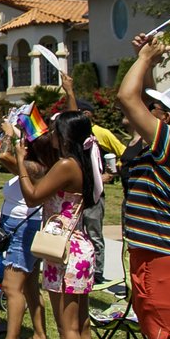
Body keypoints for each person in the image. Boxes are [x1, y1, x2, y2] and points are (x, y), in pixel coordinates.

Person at [8, 110, 99, 339]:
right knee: (81, 325)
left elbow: (33, 195)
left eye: (56, 131)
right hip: (79, 247)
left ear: (66, 136)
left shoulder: (66, 164)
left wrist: (21, 161)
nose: (53, 136)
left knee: (67, 329)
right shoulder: (86, 161)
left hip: (63, 251)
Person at [117, 34, 170, 339]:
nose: (140, 107)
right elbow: (146, 99)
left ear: (166, 119)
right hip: (148, 252)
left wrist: (144, 59)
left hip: (163, 258)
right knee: (157, 336)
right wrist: (146, 61)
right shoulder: (163, 143)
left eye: (151, 106)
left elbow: (128, 97)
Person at [0, 142, 49, 339]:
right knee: (30, 285)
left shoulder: (36, 166)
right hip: (19, 225)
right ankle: (40, 336)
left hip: (23, 228)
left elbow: (3, 156)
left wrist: (10, 136)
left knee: (11, 287)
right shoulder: (29, 164)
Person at [68, 82, 125, 286]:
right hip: (77, 193)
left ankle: (98, 272)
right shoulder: (73, 135)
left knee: (94, 232)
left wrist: (110, 174)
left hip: (95, 193)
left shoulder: (101, 133)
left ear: (88, 114)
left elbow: (124, 153)